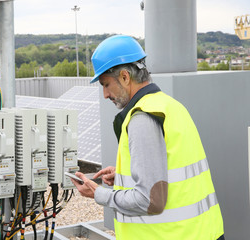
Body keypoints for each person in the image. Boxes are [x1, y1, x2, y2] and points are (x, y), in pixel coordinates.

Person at [71, 35, 224, 240]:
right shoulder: (169, 105)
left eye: (106, 85)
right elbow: (170, 169)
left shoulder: (142, 118)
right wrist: (124, 175)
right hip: (202, 232)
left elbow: (149, 200)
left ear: (125, 77)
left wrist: (98, 194)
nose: (105, 95)